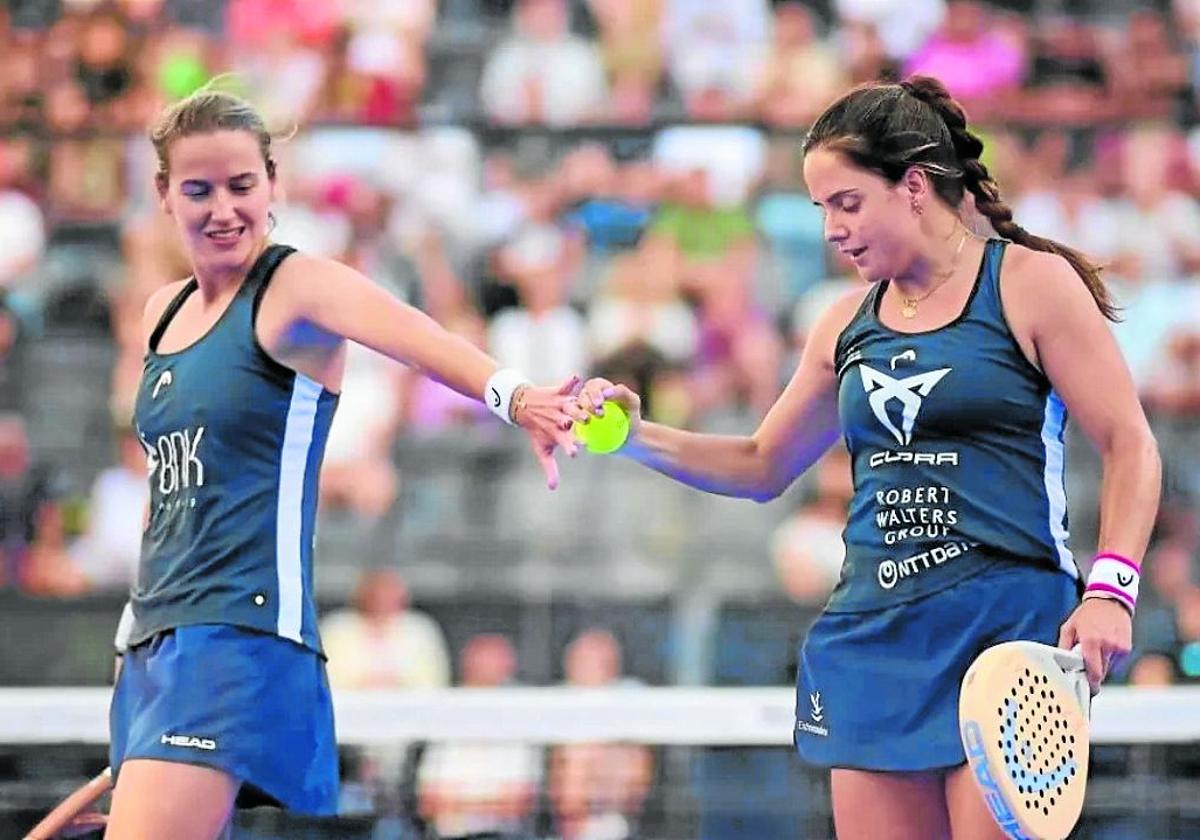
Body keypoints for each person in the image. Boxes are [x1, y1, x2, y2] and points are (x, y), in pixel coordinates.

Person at [574, 75, 1161, 839]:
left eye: (847, 203)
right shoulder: (842, 322)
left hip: (1007, 636)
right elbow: (760, 464)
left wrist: (1112, 588)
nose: (831, 230)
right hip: (874, 636)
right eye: (822, 209)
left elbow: (1131, 444)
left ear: (914, 186)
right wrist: (632, 434)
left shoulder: (1028, 285)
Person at [105, 86, 588, 840]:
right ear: (165, 195)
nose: (223, 208)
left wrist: (518, 397)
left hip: (237, 639)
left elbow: (416, 336)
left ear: (275, 183)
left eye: (242, 185)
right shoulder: (159, 314)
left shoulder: (295, 286)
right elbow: (169, 496)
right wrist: (131, 638)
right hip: (153, 643)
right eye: (198, 189)